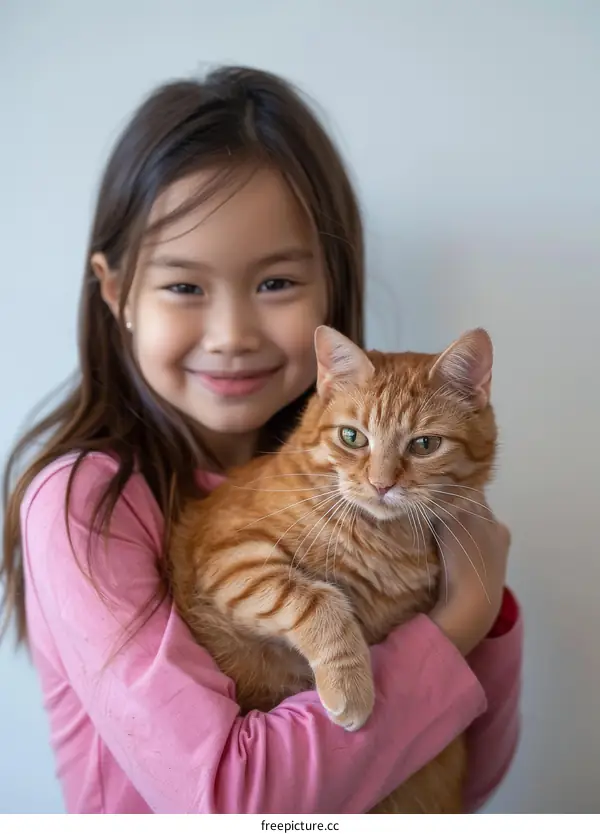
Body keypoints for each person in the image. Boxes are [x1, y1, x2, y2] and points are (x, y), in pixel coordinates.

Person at [0, 66, 522, 814]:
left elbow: (473, 780)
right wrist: (457, 624)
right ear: (116, 293)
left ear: (330, 293)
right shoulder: (85, 502)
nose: (232, 336)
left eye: (275, 283)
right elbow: (231, 806)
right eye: (184, 286)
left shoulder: (374, 483)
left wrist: (491, 611)